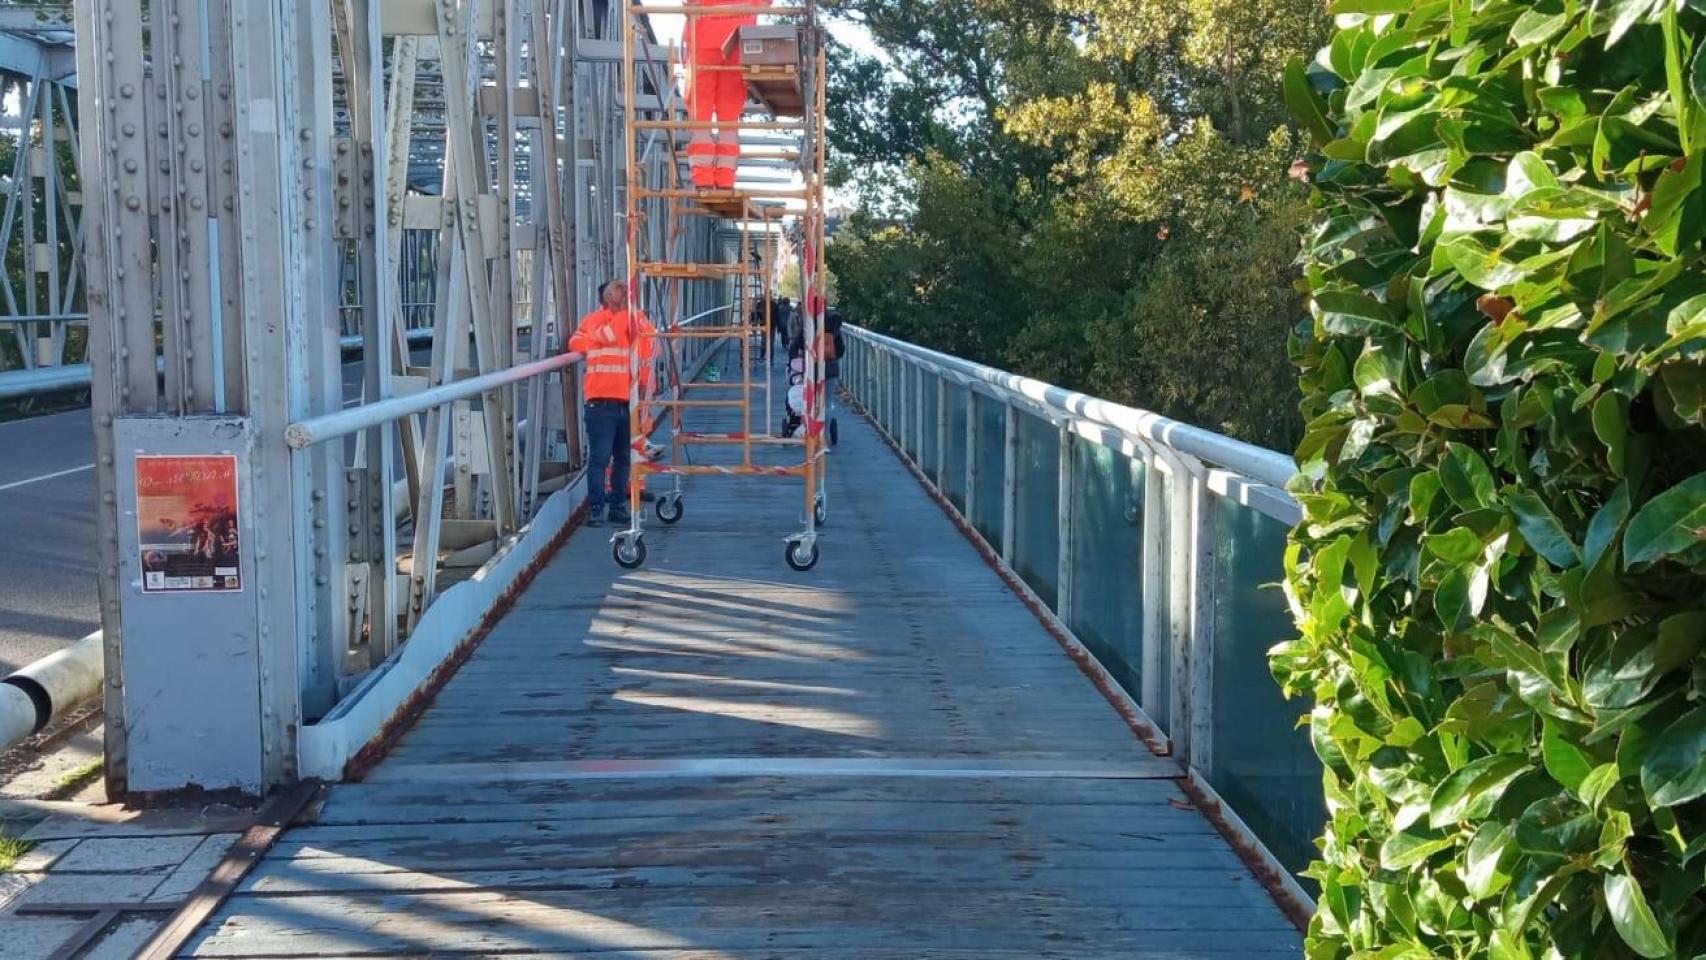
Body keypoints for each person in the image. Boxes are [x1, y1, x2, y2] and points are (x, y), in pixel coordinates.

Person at [569, 280, 654, 527]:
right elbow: (587, 339)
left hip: (627, 402)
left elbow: (650, 342)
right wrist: (625, 316)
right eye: (619, 288)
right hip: (601, 403)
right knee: (599, 458)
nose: (625, 292)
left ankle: (617, 506)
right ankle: (596, 509)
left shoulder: (631, 318)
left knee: (623, 458)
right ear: (607, 296)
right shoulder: (597, 320)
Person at [684, 0, 766, 188]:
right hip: (740, 36)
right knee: (729, 117)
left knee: (700, 114)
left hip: (703, 35)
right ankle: (725, 180)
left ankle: (703, 177)